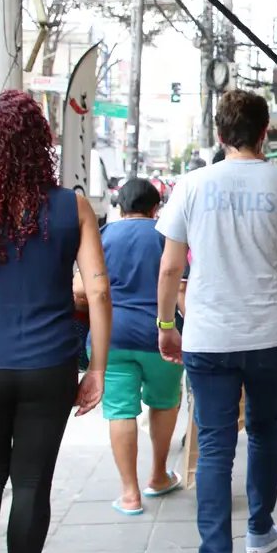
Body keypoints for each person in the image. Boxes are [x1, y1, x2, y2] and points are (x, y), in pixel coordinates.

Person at [0, 90, 111, 553]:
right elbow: (99, 290)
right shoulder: (72, 207)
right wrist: (98, 368)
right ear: (40, 142)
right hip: (49, 367)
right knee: (32, 483)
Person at [154, 90, 277, 553]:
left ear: (220, 134)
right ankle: (260, 530)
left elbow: (170, 266)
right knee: (266, 430)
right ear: (265, 132)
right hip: (270, 332)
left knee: (216, 445)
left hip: (208, 334)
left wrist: (165, 324)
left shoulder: (192, 185)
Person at [76, 178, 185, 516]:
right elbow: (180, 288)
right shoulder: (167, 235)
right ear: (156, 206)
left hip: (112, 337)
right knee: (165, 402)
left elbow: (81, 290)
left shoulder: (104, 235)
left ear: (120, 206)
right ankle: (157, 476)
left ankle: (129, 494)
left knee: (120, 410)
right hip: (161, 335)